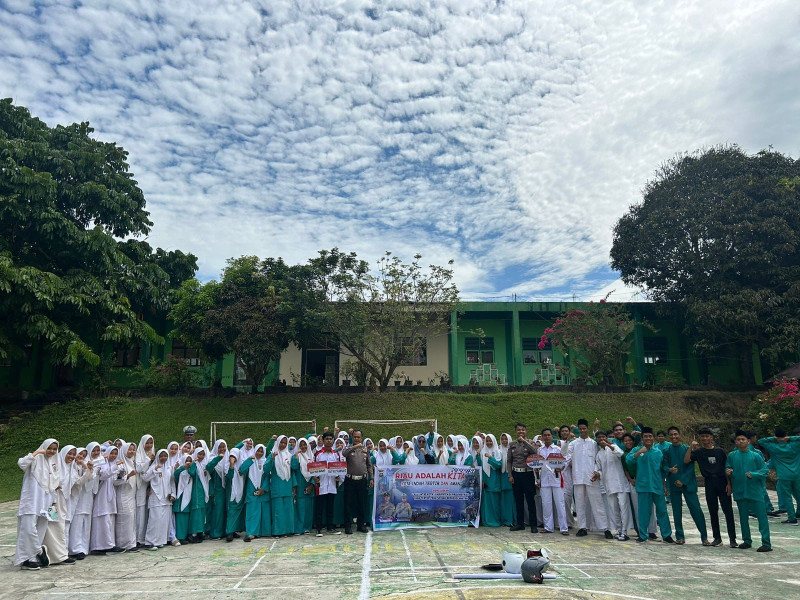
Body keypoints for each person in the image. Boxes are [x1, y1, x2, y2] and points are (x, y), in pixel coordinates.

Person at [14, 439, 63, 569]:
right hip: (31, 502)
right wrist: (36, 453)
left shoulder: (54, 463)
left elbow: (53, 485)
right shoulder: (34, 460)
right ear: (44, 447)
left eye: (54, 449)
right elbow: (21, 463)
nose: (51, 451)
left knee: (40, 530)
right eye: (49, 448)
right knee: (28, 529)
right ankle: (39, 551)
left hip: (46, 502)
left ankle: (31, 559)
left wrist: (54, 505)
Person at [626, 427, 674, 544]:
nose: (648, 438)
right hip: (643, 486)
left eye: (650, 436)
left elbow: (662, 470)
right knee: (643, 512)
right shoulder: (637, 450)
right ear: (642, 439)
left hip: (657, 486)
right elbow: (628, 461)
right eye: (645, 436)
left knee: (662, 511)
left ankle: (666, 535)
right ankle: (643, 535)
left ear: (653, 438)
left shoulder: (658, 452)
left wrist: (665, 485)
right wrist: (638, 453)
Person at [663, 426, 709, 545]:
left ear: (680, 435)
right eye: (671, 435)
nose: (674, 437)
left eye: (675, 434)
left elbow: (690, 467)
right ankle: (680, 536)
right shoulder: (667, 451)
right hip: (674, 484)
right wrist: (669, 470)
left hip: (688, 484)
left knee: (696, 510)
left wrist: (683, 480)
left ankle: (704, 537)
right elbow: (664, 466)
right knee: (676, 511)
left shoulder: (687, 449)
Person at [727, 430, 771, 551]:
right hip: (740, 490)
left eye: (743, 439)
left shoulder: (756, 455)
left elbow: (765, 471)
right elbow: (727, 467)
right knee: (743, 518)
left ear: (748, 441)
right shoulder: (732, 455)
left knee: (762, 517)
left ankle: (766, 543)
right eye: (738, 439)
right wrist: (728, 472)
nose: (740, 441)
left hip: (755, 490)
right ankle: (747, 540)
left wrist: (754, 474)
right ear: (735, 442)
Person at [569, 419, 611, 539]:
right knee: (580, 503)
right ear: (578, 429)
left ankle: (605, 528)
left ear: (587, 429)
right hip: (578, 477)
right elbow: (566, 455)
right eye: (580, 429)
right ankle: (582, 527)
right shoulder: (574, 443)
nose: (582, 430)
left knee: (597, 502)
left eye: (584, 428)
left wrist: (598, 472)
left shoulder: (593, 443)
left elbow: (598, 459)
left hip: (592, 477)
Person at [757, 428, 800, 526]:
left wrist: (775, 439)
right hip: (797, 474)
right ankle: (798, 514)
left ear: (776, 436)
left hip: (784, 476)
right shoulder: (795, 445)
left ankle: (792, 519)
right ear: (786, 435)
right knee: (798, 495)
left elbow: (761, 441)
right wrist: (788, 438)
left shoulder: (773, 447)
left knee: (787, 497)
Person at [595, 431, 631, 540]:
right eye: (599, 438)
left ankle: (625, 531)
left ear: (606, 438)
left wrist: (609, 445)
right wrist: (597, 473)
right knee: (613, 509)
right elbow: (600, 469)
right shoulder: (599, 454)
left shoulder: (614, 446)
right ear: (596, 440)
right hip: (609, 484)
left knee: (623, 508)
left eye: (603, 437)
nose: (601, 439)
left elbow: (620, 454)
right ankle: (618, 530)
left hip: (620, 483)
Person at [622, 433, 657, 540]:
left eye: (630, 440)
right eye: (625, 441)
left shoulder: (644, 450)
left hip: (648, 481)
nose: (628, 442)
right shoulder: (625, 454)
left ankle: (652, 530)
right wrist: (631, 480)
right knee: (638, 508)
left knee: (651, 507)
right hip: (635, 481)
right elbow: (625, 469)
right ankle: (641, 530)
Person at [91, 446, 125, 555]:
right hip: (101, 496)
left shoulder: (113, 465)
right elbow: (103, 476)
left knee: (109, 520)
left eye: (115, 454)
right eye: (112, 453)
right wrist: (116, 466)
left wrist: (121, 478)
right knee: (102, 519)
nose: (113, 456)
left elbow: (114, 482)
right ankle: (98, 546)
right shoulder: (102, 464)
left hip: (110, 496)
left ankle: (109, 544)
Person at [507, 423, 538, 533]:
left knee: (530, 500)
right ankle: (520, 524)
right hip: (516, 474)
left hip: (528, 474)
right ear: (516, 431)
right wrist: (510, 475)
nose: (521, 432)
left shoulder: (530, 443)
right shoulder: (512, 444)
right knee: (518, 500)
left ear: (526, 431)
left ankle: (533, 524)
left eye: (523, 430)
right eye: (519, 430)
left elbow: (535, 452)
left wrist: (524, 441)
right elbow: (509, 461)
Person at [537, 428, 569, 535]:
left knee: (560, 504)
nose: (547, 437)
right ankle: (548, 527)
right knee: (546, 504)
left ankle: (563, 528)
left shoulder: (557, 449)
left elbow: (567, 458)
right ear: (542, 437)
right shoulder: (540, 450)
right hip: (544, 479)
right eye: (545, 435)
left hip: (556, 479)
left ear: (552, 436)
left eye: (549, 435)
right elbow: (537, 463)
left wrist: (562, 468)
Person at [142, 449, 175, 549]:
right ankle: (149, 542)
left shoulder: (169, 468)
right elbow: (145, 478)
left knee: (164, 521)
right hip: (155, 497)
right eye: (161, 456)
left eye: (165, 456)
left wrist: (173, 494)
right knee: (154, 520)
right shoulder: (153, 467)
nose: (163, 458)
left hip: (166, 498)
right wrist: (155, 470)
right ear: (157, 457)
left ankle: (159, 541)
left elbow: (172, 482)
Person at [342, 430, 373, 534]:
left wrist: (371, 478)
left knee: (361, 503)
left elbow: (369, 465)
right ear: (352, 437)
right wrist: (354, 447)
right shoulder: (348, 448)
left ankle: (361, 525)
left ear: (361, 438)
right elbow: (344, 454)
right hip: (350, 480)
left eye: (358, 437)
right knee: (348, 504)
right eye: (354, 437)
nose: (356, 439)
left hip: (362, 480)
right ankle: (348, 526)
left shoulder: (365, 450)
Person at [239, 444, 272, 541]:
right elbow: (241, 470)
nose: (260, 453)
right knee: (252, 512)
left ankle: (263, 532)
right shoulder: (251, 462)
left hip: (263, 491)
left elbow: (267, 476)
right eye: (258, 451)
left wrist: (264, 489)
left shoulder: (266, 462)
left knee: (264, 512)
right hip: (251, 490)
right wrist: (249, 460)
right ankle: (251, 533)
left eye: (262, 451)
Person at [68, 446, 95, 560]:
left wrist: (85, 466)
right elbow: (79, 482)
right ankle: (73, 549)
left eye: (84, 456)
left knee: (84, 524)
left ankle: (82, 548)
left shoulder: (81, 466)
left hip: (83, 499)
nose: (81, 457)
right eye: (80, 454)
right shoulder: (71, 467)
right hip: (72, 499)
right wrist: (87, 470)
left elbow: (92, 476)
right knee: (74, 524)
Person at [314, 432, 343, 536]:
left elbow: (339, 468)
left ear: (333, 441)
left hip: (331, 484)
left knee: (330, 507)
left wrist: (338, 476)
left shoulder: (336, 454)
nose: (329, 441)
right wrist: (315, 479)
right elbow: (313, 469)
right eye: (327, 439)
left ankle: (330, 527)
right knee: (319, 507)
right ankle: (319, 528)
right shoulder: (318, 454)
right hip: (321, 485)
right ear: (323, 440)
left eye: (331, 439)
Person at [269, 435, 295, 537]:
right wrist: (271, 459)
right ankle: (278, 531)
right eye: (281, 442)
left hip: (287, 485)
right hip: (277, 486)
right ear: (278, 442)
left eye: (285, 443)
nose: (283, 444)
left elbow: (294, 468)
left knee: (288, 510)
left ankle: (288, 530)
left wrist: (296, 457)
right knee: (278, 511)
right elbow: (266, 470)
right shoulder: (272, 454)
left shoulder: (289, 455)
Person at [134, 434, 155, 547]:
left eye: (151, 443)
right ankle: (138, 538)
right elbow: (139, 469)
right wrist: (148, 459)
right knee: (140, 511)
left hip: (148, 486)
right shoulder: (139, 454)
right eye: (147, 443)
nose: (149, 445)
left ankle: (146, 537)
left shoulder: (152, 454)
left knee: (147, 512)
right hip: (139, 486)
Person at [205, 439, 229, 539]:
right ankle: (215, 533)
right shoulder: (212, 458)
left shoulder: (227, 458)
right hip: (217, 490)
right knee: (217, 512)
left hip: (225, 490)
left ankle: (224, 531)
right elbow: (209, 468)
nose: (222, 449)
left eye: (224, 447)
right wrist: (218, 458)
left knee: (225, 511)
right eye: (220, 447)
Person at [292, 438, 315, 535]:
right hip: (300, 484)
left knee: (308, 508)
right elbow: (294, 467)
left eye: (305, 444)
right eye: (301, 445)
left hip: (309, 484)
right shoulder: (296, 456)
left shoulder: (312, 457)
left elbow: (316, 472)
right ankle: (299, 528)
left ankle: (307, 527)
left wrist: (312, 484)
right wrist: (296, 456)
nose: (303, 447)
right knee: (300, 507)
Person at [224, 448, 246, 542]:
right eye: (231, 456)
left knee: (237, 511)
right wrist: (232, 465)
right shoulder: (227, 465)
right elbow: (229, 476)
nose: (233, 458)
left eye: (235, 457)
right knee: (231, 511)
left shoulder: (241, 464)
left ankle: (234, 531)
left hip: (240, 489)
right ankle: (229, 532)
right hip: (231, 490)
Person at [557, 426, 576, 528]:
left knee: (567, 498)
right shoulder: (557, 444)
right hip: (558, 473)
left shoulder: (573, 443)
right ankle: (560, 521)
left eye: (566, 431)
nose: (565, 432)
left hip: (568, 474)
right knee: (559, 499)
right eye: (563, 431)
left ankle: (568, 522)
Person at [498, 433, 516, 527]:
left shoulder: (513, 450)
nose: (504, 441)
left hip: (511, 475)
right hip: (502, 475)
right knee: (503, 499)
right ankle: (505, 519)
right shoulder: (498, 450)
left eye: (506, 439)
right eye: (502, 439)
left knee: (511, 499)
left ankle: (512, 519)